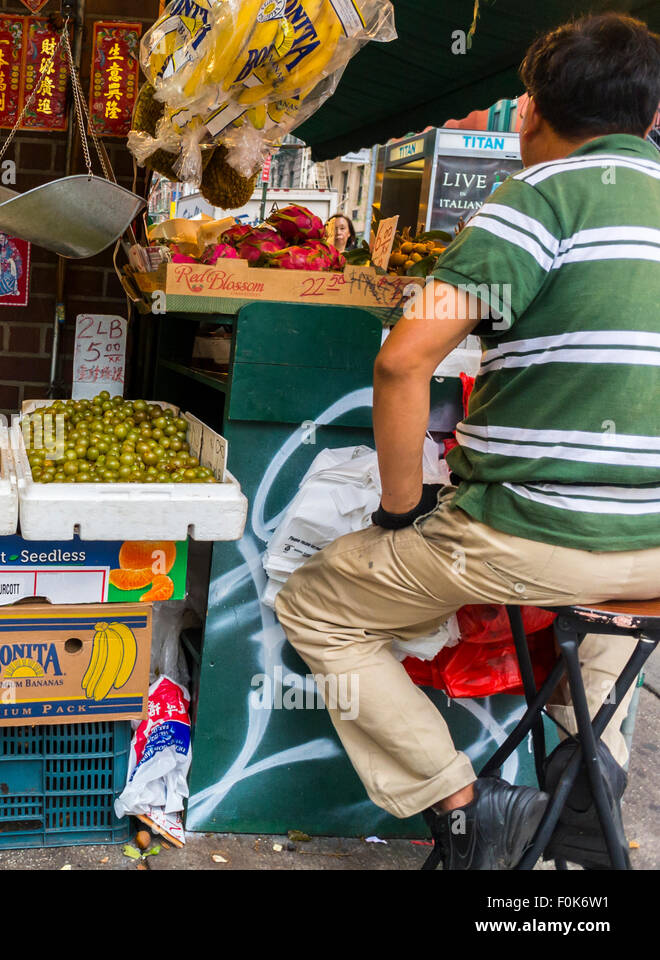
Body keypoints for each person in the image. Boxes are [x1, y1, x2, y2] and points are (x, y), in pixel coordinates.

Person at [274, 12, 660, 870]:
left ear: (529, 110)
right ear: (652, 116)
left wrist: (399, 510)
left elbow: (405, 363)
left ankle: (464, 806)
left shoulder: (540, 201)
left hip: (533, 539)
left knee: (316, 605)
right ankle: (589, 791)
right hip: (654, 554)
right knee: (597, 631)